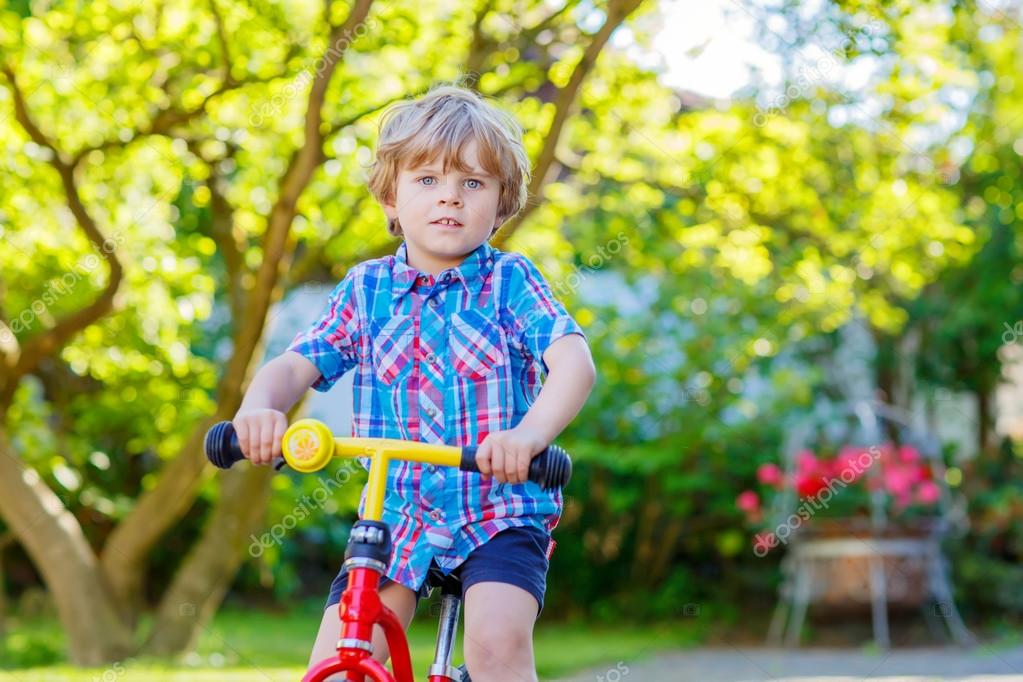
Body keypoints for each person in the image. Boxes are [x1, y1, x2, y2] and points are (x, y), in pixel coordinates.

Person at [233, 84, 596, 682]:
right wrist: (260, 411)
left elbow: (573, 363)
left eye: (472, 184)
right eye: (427, 180)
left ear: (502, 204)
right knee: (344, 652)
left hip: (499, 507)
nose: (449, 197)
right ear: (391, 198)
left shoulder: (510, 282)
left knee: (496, 642)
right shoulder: (364, 290)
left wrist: (527, 438)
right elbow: (292, 367)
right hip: (398, 515)